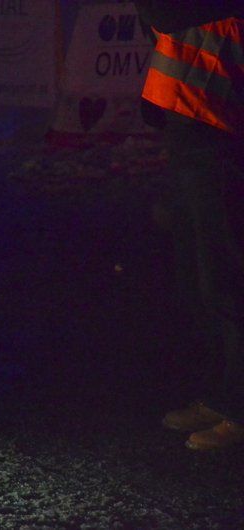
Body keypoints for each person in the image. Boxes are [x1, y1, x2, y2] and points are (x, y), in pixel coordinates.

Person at [134, 1, 244, 450]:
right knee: (201, 279)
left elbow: (163, 13)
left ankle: (238, 407)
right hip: (193, 113)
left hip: (217, 122)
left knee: (226, 276)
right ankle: (222, 396)